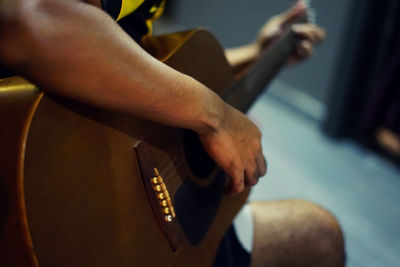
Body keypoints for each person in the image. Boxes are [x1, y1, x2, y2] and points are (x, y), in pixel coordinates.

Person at [0, 0, 345, 266]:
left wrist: (258, 54)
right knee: (320, 237)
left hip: (120, 198)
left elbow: (142, 67)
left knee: (319, 240)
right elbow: (37, 20)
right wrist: (217, 117)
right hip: (51, 187)